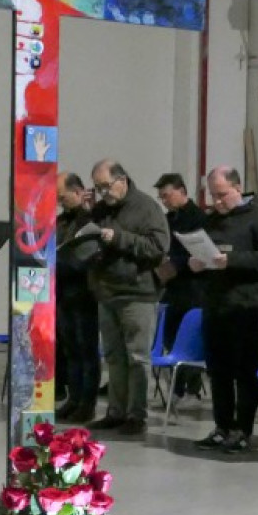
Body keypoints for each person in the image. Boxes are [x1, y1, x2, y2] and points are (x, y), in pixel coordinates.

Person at [190, 166, 258, 454]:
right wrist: (197, 263)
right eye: (213, 196)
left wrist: (233, 260)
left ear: (238, 188)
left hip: (247, 307)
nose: (217, 202)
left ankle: (243, 429)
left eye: (222, 195)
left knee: (245, 372)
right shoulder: (212, 220)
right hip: (216, 305)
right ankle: (222, 426)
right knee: (218, 371)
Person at [84, 160, 169, 435]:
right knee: (114, 356)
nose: (103, 192)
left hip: (137, 293)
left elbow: (158, 247)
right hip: (107, 292)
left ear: (122, 179)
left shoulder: (146, 208)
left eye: (106, 186)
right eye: (98, 188)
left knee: (137, 357)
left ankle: (137, 415)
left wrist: (119, 237)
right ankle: (115, 411)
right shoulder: (100, 209)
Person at [154, 172, 208, 400]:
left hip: (192, 287)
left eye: (167, 195)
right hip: (172, 287)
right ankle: (179, 386)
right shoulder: (168, 219)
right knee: (169, 335)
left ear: (181, 191)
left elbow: (197, 251)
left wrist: (175, 263)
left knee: (189, 337)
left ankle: (190, 385)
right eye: (162, 197)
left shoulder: (198, 217)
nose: (164, 201)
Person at [52, 173, 100, 421]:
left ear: (79, 192)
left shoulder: (90, 219)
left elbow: (88, 254)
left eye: (64, 197)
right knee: (70, 349)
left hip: (85, 292)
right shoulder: (61, 221)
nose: (61, 203)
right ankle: (73, 397)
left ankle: (87, 402)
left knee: (86, 350)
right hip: (63, 291)